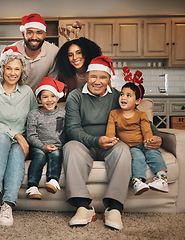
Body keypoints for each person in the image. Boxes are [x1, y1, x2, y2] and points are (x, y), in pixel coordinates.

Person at [63, 56, 163, 230]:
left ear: (109, 79)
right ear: (86, 77)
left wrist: (158, 136)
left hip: (112, 143)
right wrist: (96, 141)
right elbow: (72, 129)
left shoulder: (118, 95)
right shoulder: (75, 96)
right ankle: (83, 207)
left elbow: (139, 118)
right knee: (70, 147)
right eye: (93, 76)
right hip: (84, 143)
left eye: (103, 77)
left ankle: (114, 208)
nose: (97, 81)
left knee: (124, 149)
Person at [0, 46, 38, 227]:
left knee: (17, 149)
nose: (13, 73)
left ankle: (8, 204)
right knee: (3, 137)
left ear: (22, 71)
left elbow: (34, 119)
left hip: (16, 143)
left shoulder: (27, 93)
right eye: (9, 68)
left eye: (17, 69)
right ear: (2, 69)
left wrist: (25, 139)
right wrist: (17, 135)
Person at [105, 69, 168, 196]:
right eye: (122, 94)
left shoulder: (141, 114)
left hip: (143, 142)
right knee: (137, 157)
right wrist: (110, 139)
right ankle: (138, 182)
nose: (123, 97)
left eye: (129, 95)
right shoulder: (114, 114)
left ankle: (161, 179)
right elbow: (110, 129)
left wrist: (149, 140)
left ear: (138, 101)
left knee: (153, 153)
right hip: (130, 146)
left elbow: (146, 128)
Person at [25, 77, 66, 200]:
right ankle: (32, 187)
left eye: (53, 96)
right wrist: (44, 147)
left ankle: (53, 180)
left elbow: (63, 133)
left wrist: (59, 146)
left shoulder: (62, 113)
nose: (49, 100)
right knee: (40, 156)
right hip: (38, 146)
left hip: (55, 146)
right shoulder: (34, 114)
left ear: (57, 97)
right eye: (45, 97)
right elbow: (31, 135)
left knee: (56, 154)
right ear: (39, 99)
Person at [11, 13, 59, 91]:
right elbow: (6, 81)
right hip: (16, 98)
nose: (34, 37)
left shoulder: (54, 52)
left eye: (39, 33)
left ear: (45, 35)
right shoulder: (11, 51)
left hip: (41, 98)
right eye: (30, 32)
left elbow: (51, 83)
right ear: (23, 34)